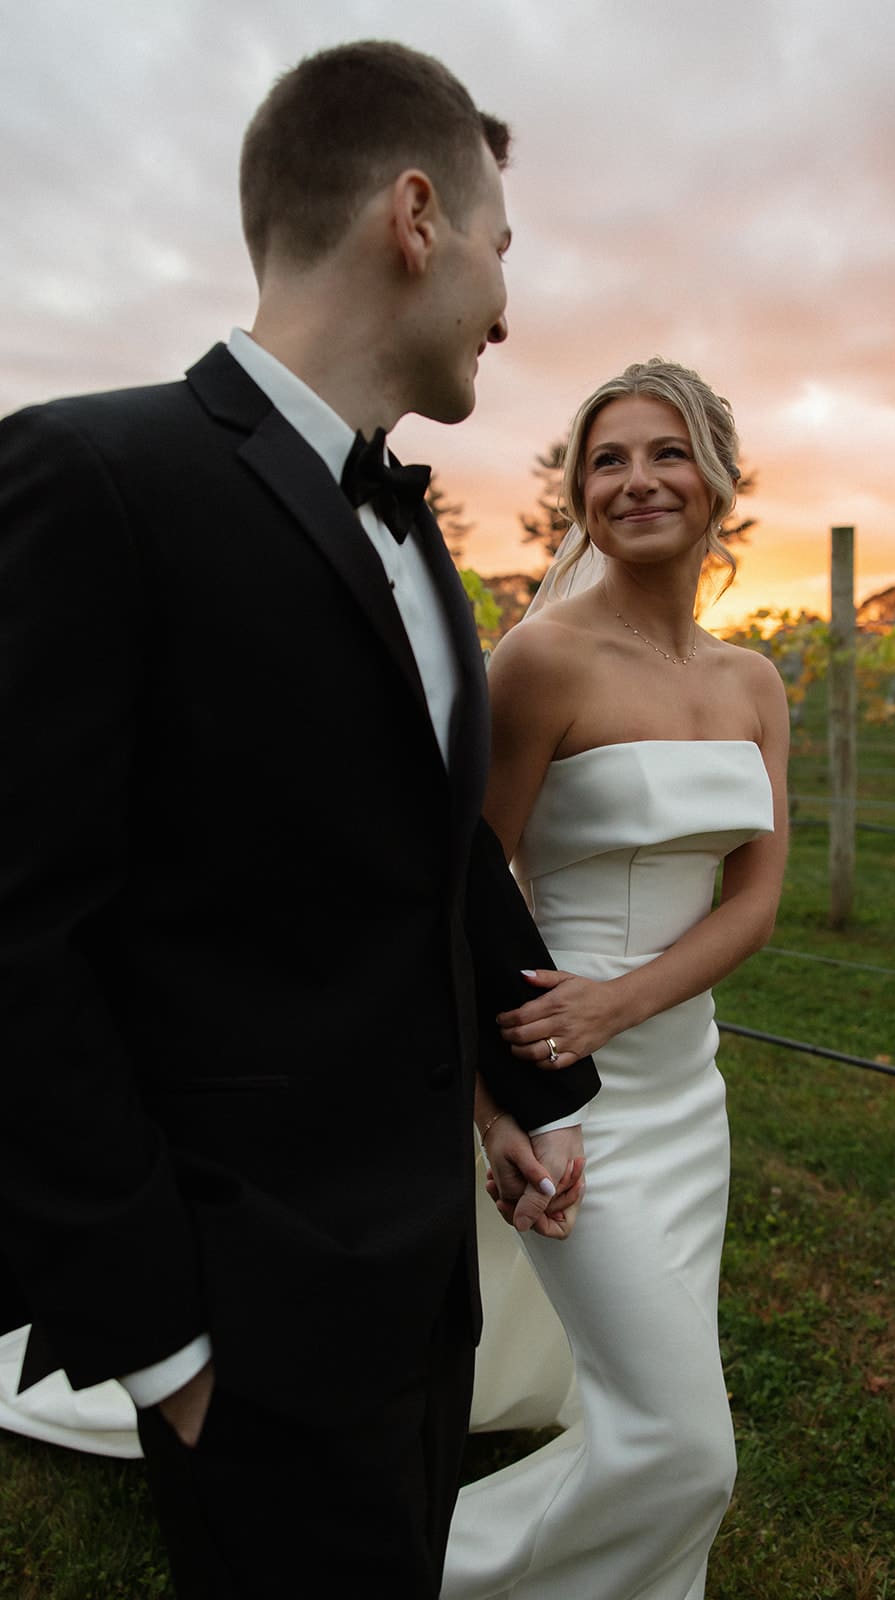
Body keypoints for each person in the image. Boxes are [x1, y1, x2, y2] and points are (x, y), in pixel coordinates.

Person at [0, 41, 599, 1600]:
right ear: (415, 215)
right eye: (500, 249)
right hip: (241, 1326)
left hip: (425, 1294)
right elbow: (18, 935)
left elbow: (428, 845)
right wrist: (162, 1338)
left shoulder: (422, 543)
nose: (507, 305)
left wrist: (517, 1087)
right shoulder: (88, 476)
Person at [442, 358, 790, 1600]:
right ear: (578, 495)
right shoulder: (538, 660)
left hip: (685, 1090)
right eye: (606, 458)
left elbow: (753, 898)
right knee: (685, 1443)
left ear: (716, 482)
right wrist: (501, 1107)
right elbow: (460, 886)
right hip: (561, 1083)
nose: (636, 479)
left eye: (665, 451)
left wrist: (628, 1002)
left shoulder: (751, 682)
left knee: (643, 1413)